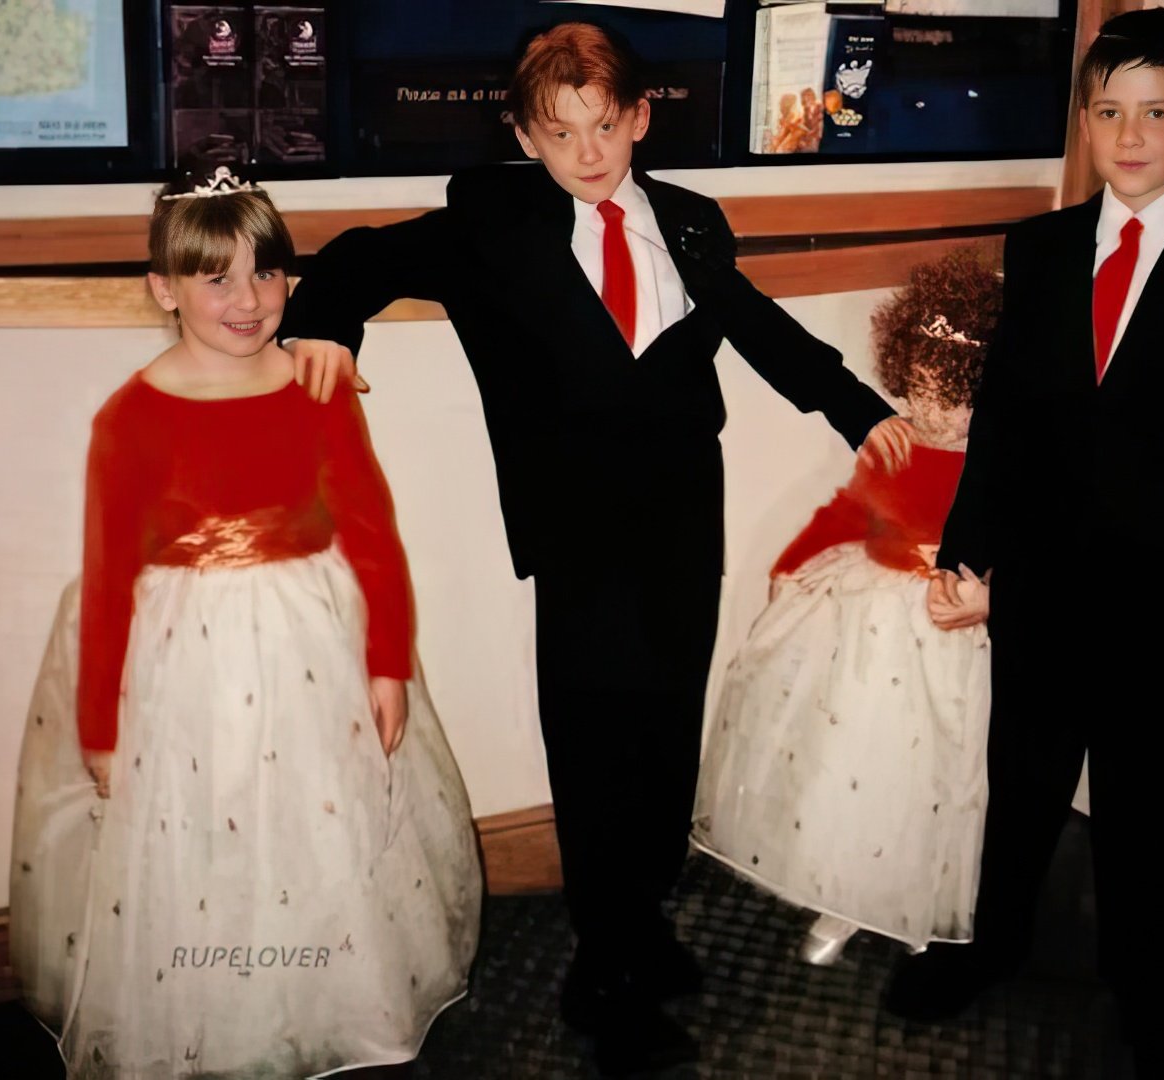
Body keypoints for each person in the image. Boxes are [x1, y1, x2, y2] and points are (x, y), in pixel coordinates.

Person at [275, 21, 913, 1075]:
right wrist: (325, 326)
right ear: (524, 135)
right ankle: (602, 967)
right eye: (561, 132)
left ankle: (642, 923)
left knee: (664, 732)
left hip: (679, 516)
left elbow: (756, 327)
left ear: (639, 119)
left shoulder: (693, 224)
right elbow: (367, 258)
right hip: (576, 529)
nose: (587, 152)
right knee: (594, 742)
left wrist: (854, 408)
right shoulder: (492, 219)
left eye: (605, 126)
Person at [883, 11, 1164, 1077]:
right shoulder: (1037, 250)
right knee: (1021, 787)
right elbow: (1007, 424)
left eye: (1157, 112)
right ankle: (993, 946)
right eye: (1109, 111)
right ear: (1084, 120)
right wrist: (967, 549)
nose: (1129, 136)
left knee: (1150, 815)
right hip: (1043, 582)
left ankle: (1156, 999)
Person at [8, 170, 482, 1078]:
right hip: (184, 666)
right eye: (216, 278)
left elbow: (372, 535)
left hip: (312, 646)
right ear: (165, 287)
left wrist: (385, 664)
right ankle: (216, 1007)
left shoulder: (316, 384)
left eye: (266, 274)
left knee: (323, 826)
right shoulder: (131, 415)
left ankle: (325, 996)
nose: (248, 299)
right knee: (204, 834)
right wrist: (100, 731)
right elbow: (108, 578)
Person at [691, 247, 1000, 966]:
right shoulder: (890, 441)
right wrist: (790, 563)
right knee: (842, 757)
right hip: (861, 619)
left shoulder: (996, 457)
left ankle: (916, 885)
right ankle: (843, 889)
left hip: (944, 630)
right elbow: (846, 513)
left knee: (931, 773)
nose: (933, 409)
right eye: (920, 387)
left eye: (953, 393)